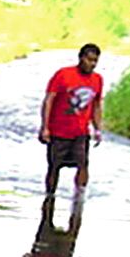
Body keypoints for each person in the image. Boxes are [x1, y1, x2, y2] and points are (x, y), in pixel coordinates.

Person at [39, 44, 105, 202]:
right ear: (81, 58)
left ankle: (79, 197)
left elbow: (96, 105)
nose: (92, 64)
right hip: (59, 131)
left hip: (81, 132)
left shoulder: (97, 80)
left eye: (95, 61)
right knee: (55, 166)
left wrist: (97, 129)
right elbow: (49, 100)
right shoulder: (63, 75)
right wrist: (45, 127)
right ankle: (49, 197)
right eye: (89, 60)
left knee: (83, 164)